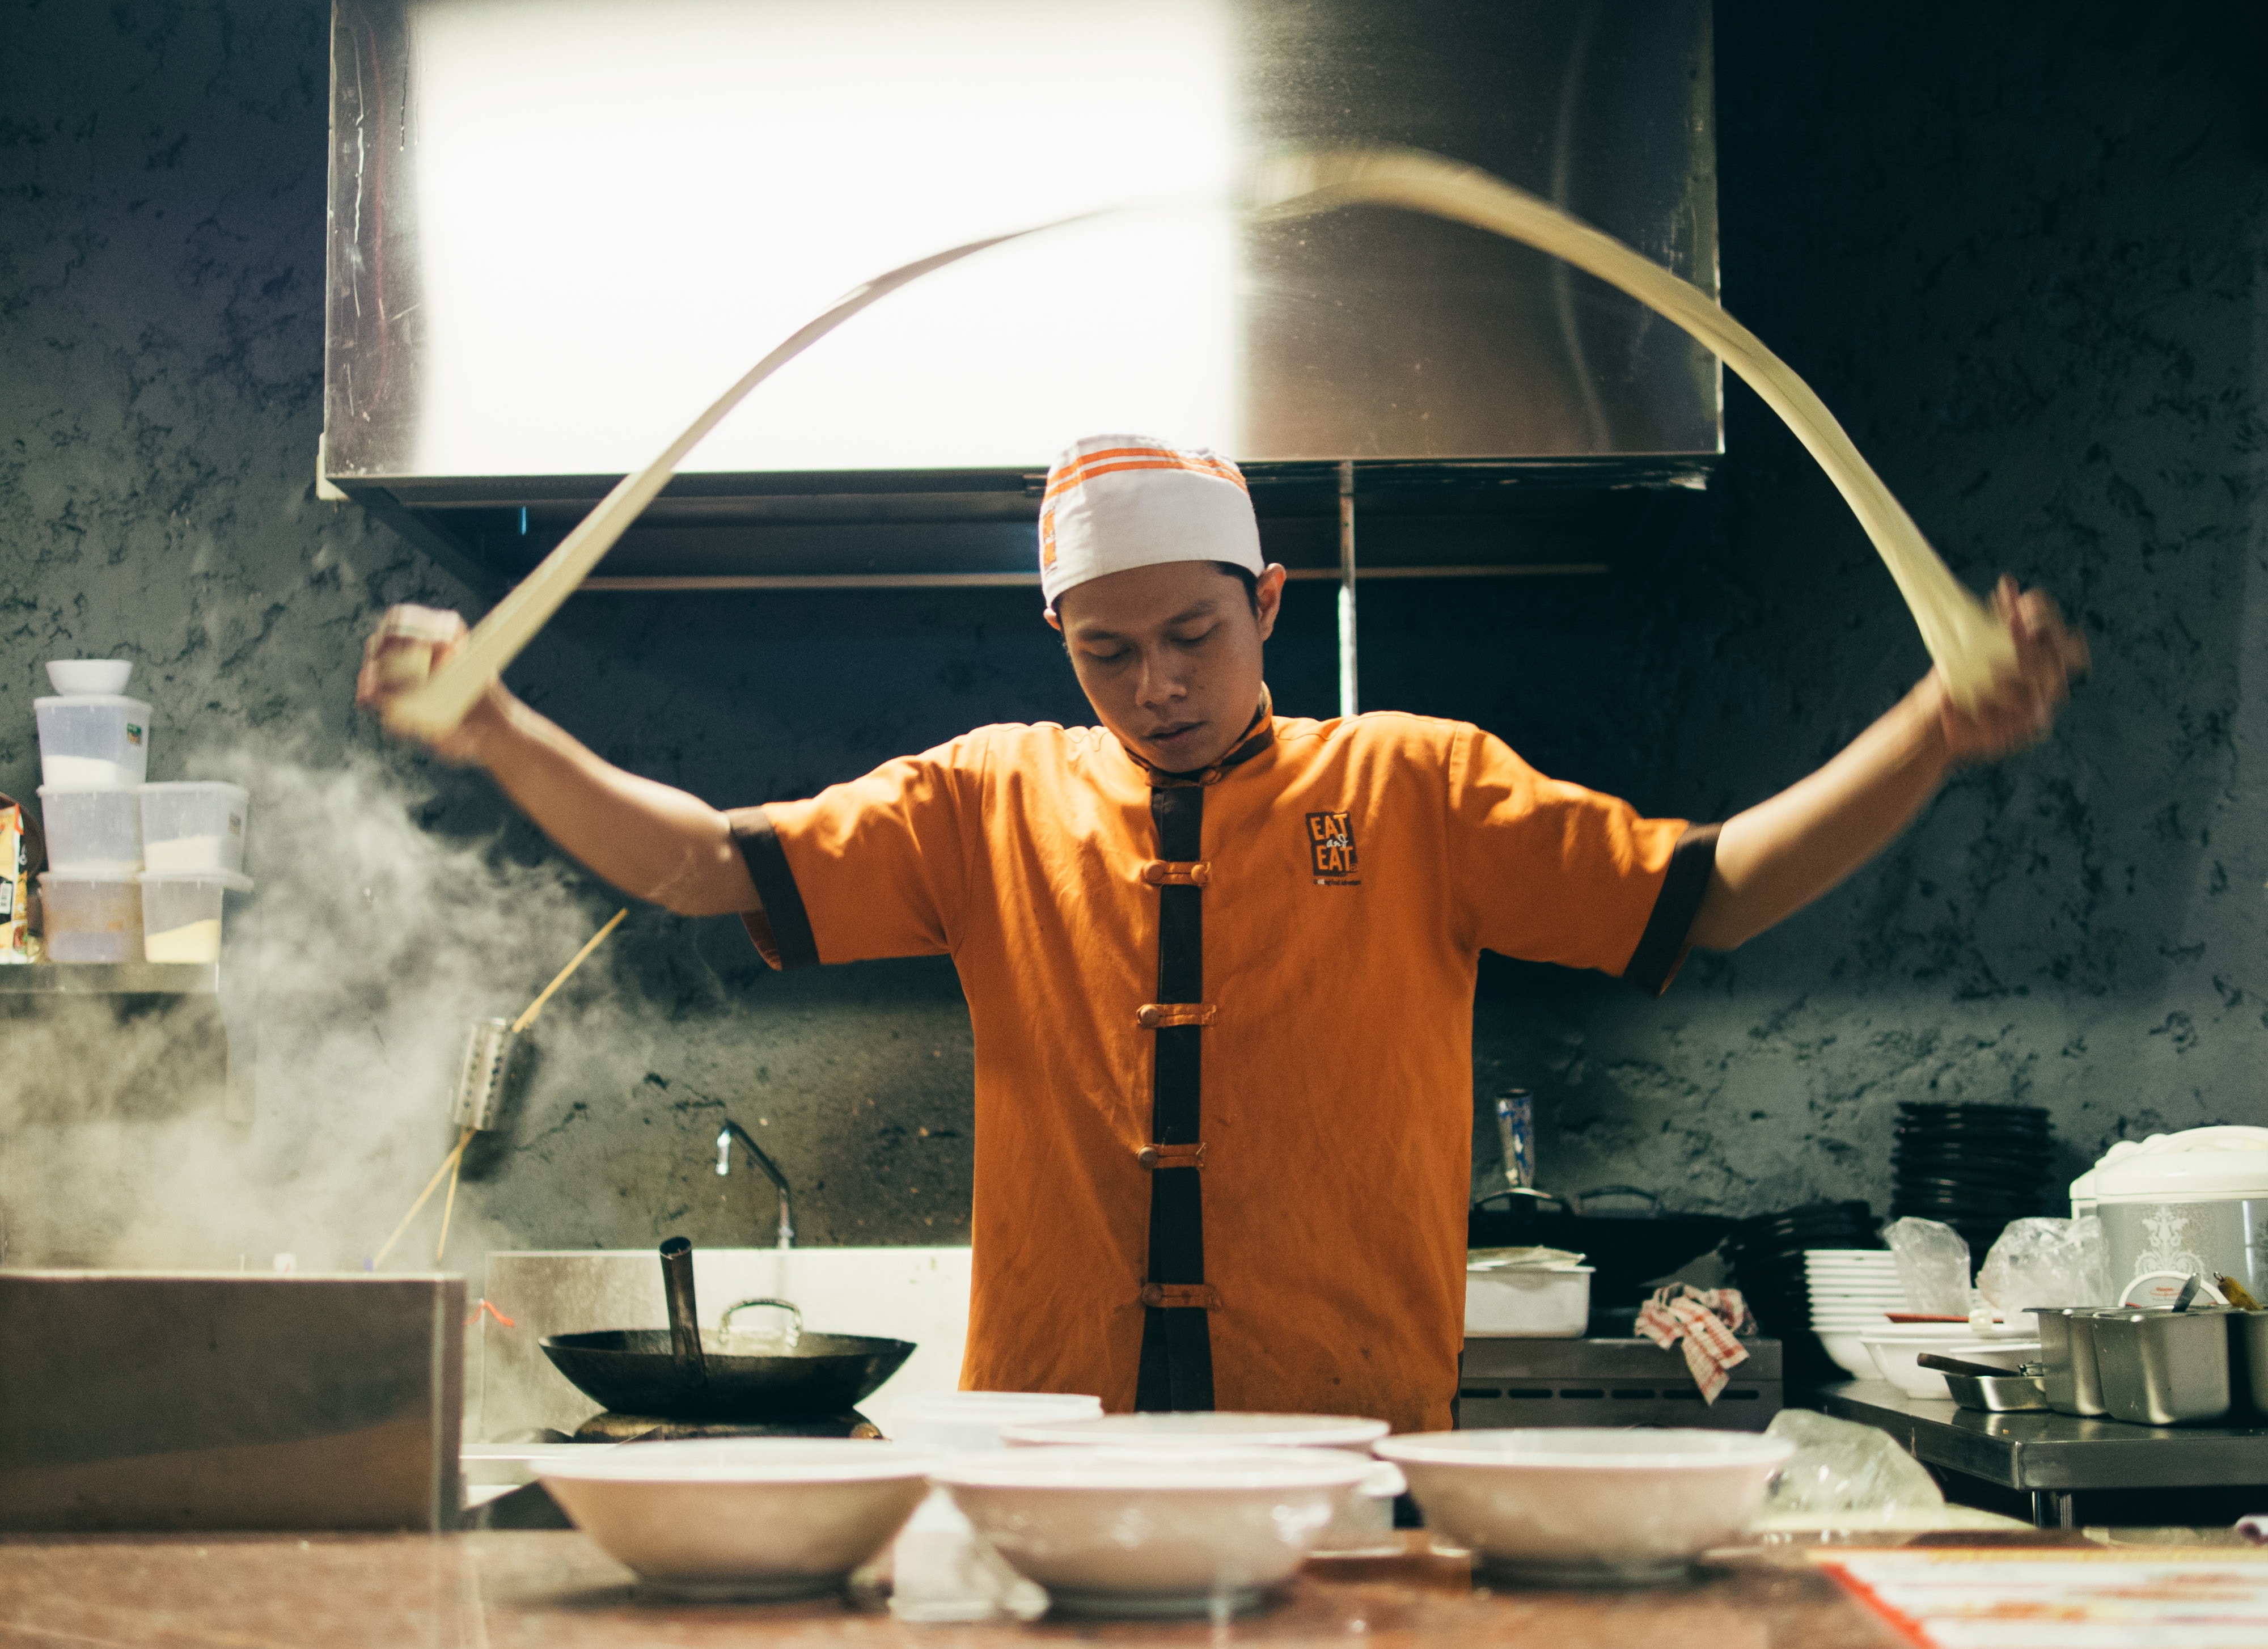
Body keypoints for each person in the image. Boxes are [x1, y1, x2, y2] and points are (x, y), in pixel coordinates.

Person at [360, 434, 2088, 1432]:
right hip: (1053, 1445)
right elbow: (707, 867)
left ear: (1272, 602)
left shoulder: (1417, 788)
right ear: (1060, 639)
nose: (1157, 685)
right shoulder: (986, 799)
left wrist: (1933, 731)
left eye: (1192, 632)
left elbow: (1713, 894)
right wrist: (504, 732)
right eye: (1105, 651)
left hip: (1347, 1440)